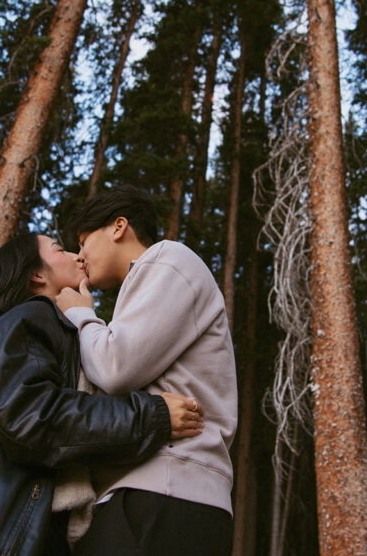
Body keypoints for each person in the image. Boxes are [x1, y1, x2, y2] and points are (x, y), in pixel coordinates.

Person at [0, 233, 204, 556]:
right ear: (37, 275)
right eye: (60, 249)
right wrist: (152, 416)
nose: (77, 256)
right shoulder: (25, 320)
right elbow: (34, 420)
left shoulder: (38, 333)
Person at [55, 186, 238, 556]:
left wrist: (80, 314)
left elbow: (116, 367)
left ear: (119, 227)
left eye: (84, 241)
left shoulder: (167, 260)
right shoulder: (147, 280)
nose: (80, 256)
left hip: (166, 490)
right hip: (154, 492)